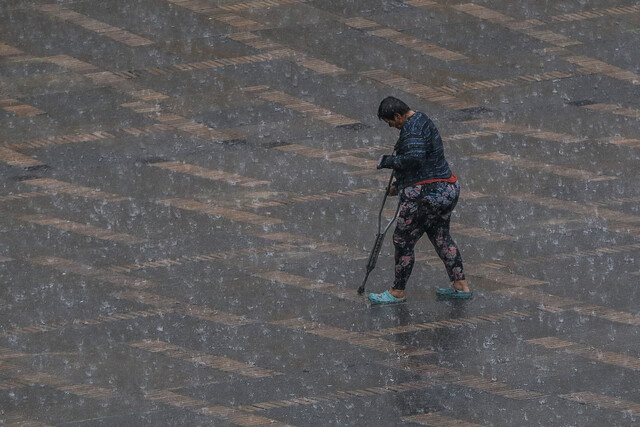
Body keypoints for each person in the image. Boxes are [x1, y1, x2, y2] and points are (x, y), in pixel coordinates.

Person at [368, 96, 471, 305]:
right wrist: (399, 184)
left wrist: (388, 161)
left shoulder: (411, 129)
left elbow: (415, 159)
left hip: (426, 195)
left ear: (398, 116)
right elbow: (423, 162)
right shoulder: (422, 119)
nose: (391, 126)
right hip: (446, 189)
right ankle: (460, 285)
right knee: (441, 237)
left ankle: (397, 291)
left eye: (390, 122)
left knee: (402, 240)